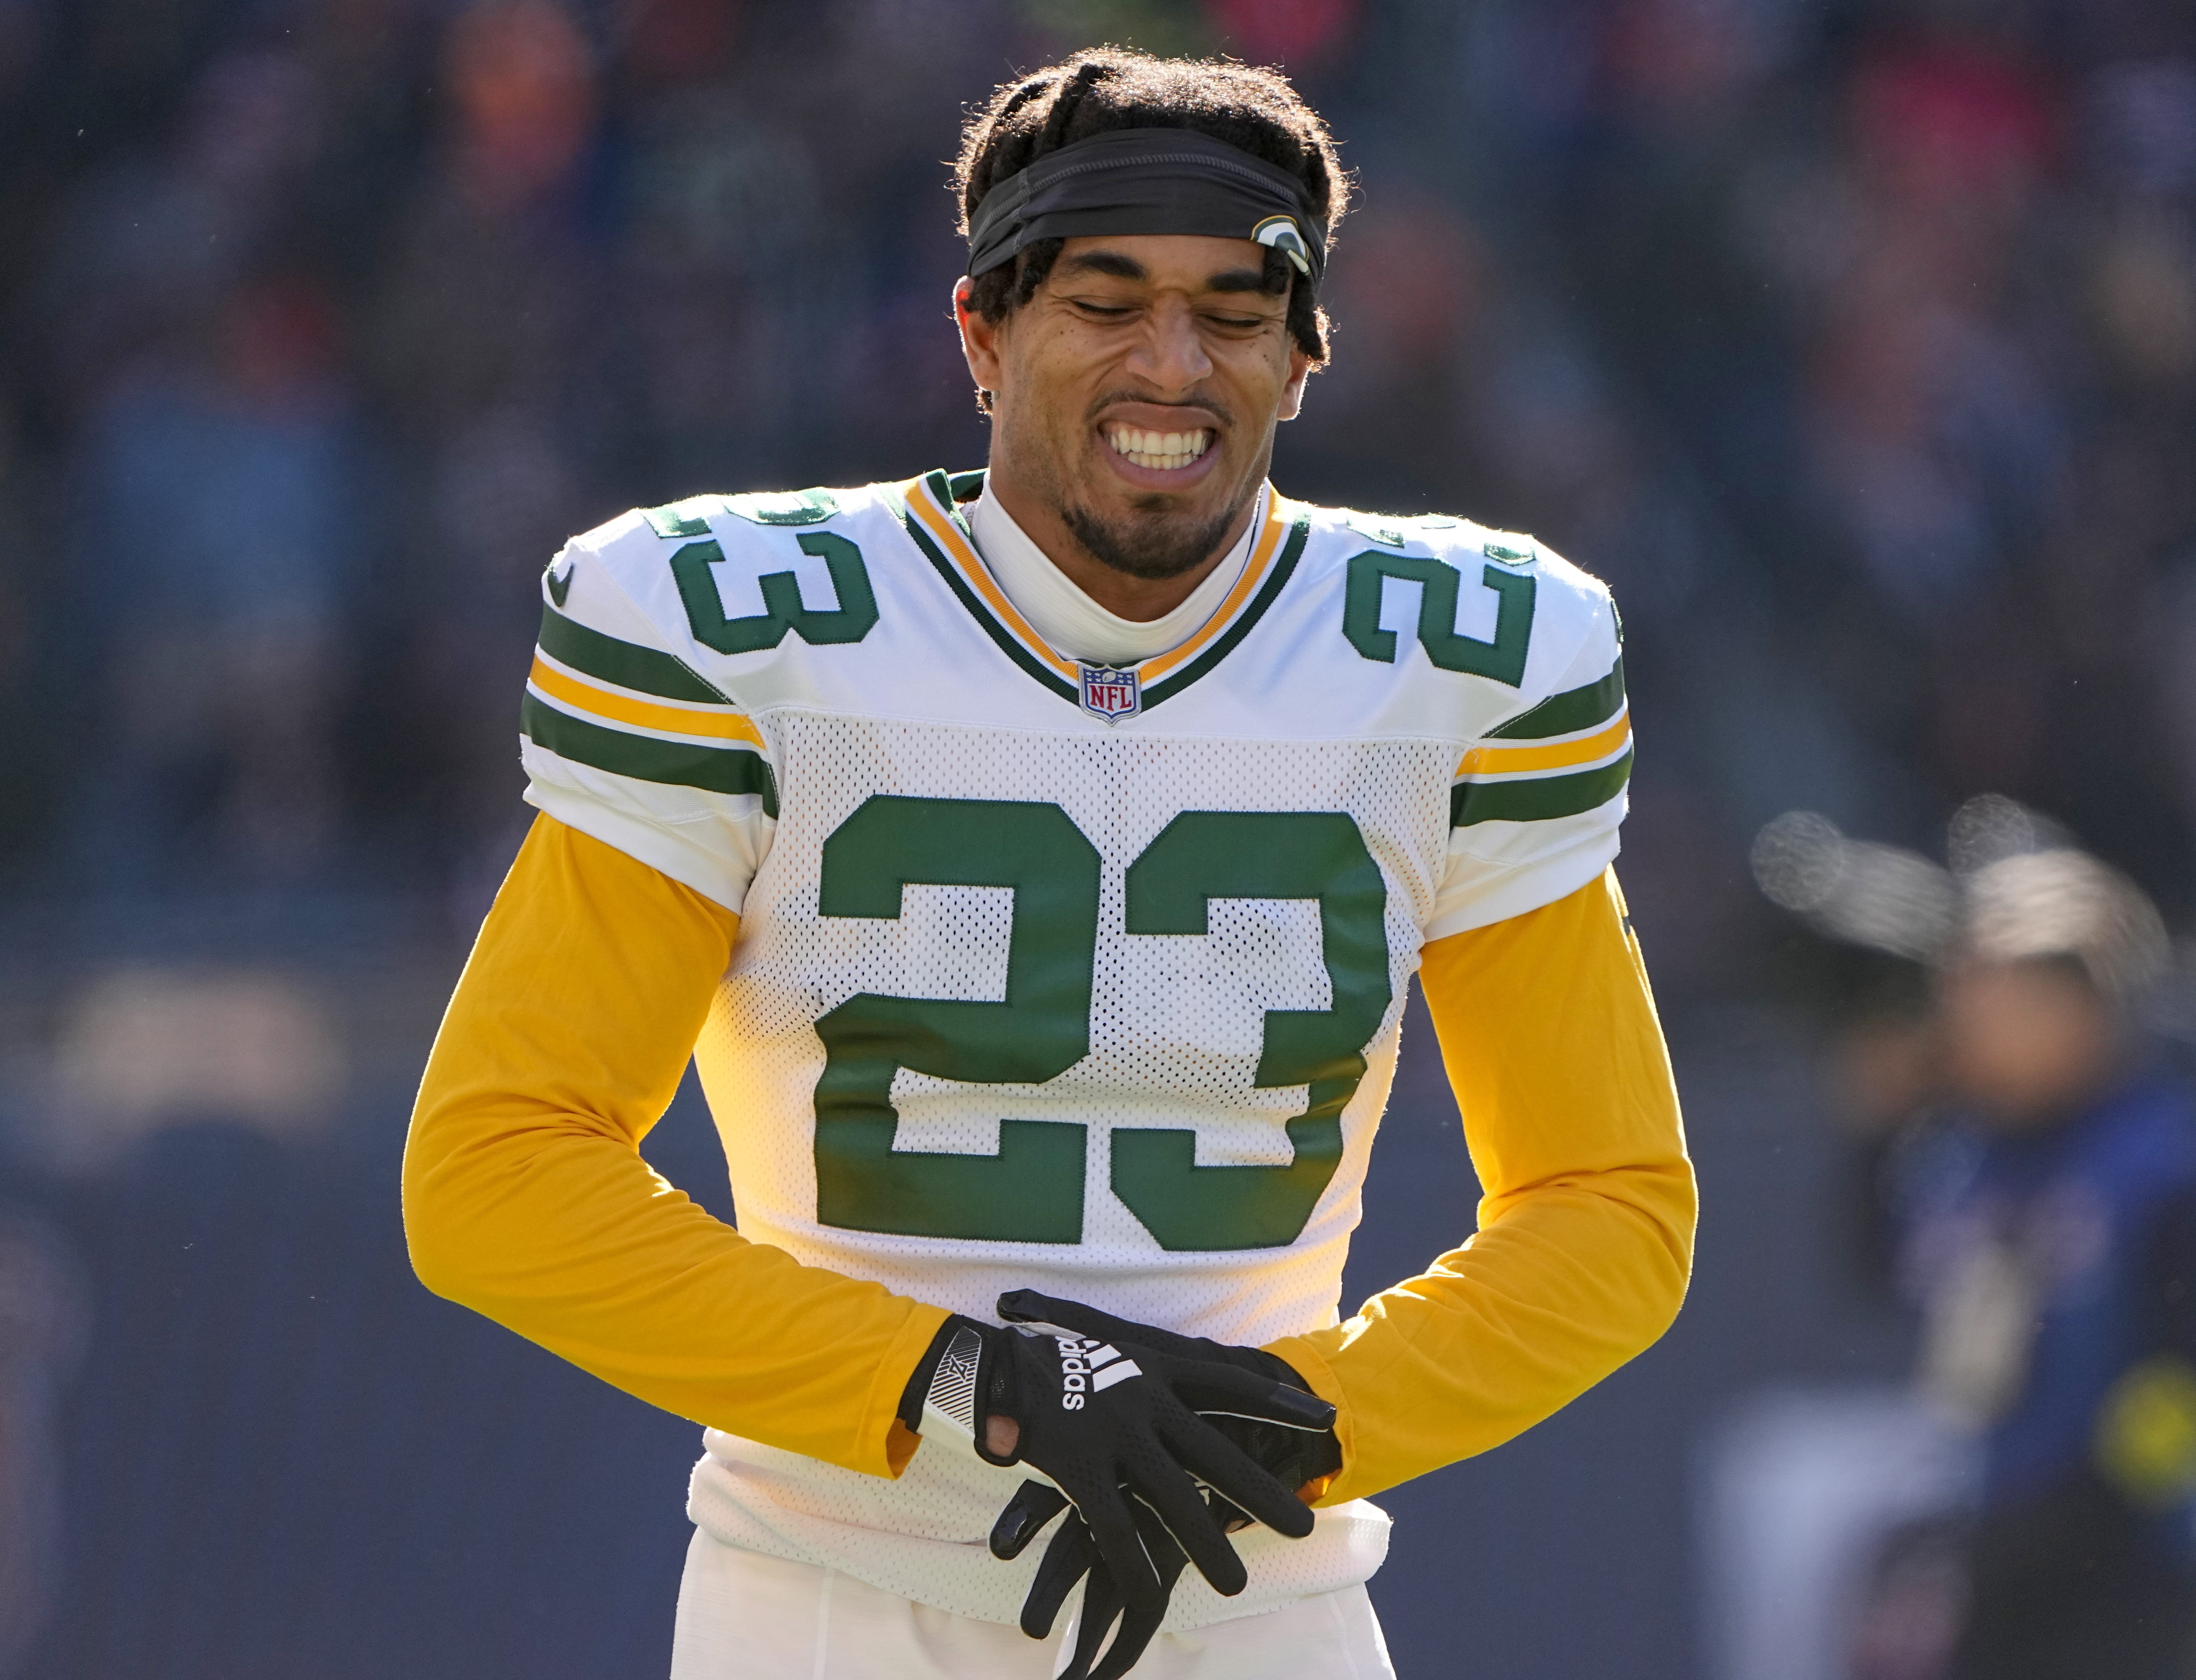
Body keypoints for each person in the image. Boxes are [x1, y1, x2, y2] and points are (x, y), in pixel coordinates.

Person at [403, 48, 1694, 1680]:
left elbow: (1610, 1205)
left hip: (1260, 1596)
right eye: (1105, 300)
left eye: (1235, 310)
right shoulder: (740, 629)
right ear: (982, 332)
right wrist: (973, 1384)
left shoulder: (1466, 652)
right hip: (827, 1589)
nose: (1173, 362)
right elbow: (494, 1174)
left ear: (1304, 357)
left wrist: (1286, 1423)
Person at [1894, 849, 2196, 1679]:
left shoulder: (2163, 1160)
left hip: (2131, 1566)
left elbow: (2176, 1383)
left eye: (2005, 1010)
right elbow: (1883, 1281)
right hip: (1994, 1542)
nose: (1971, 1035)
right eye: (1963, 1008)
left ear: (2086, 1010)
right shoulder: (1955, 1158)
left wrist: (2095, 1504)